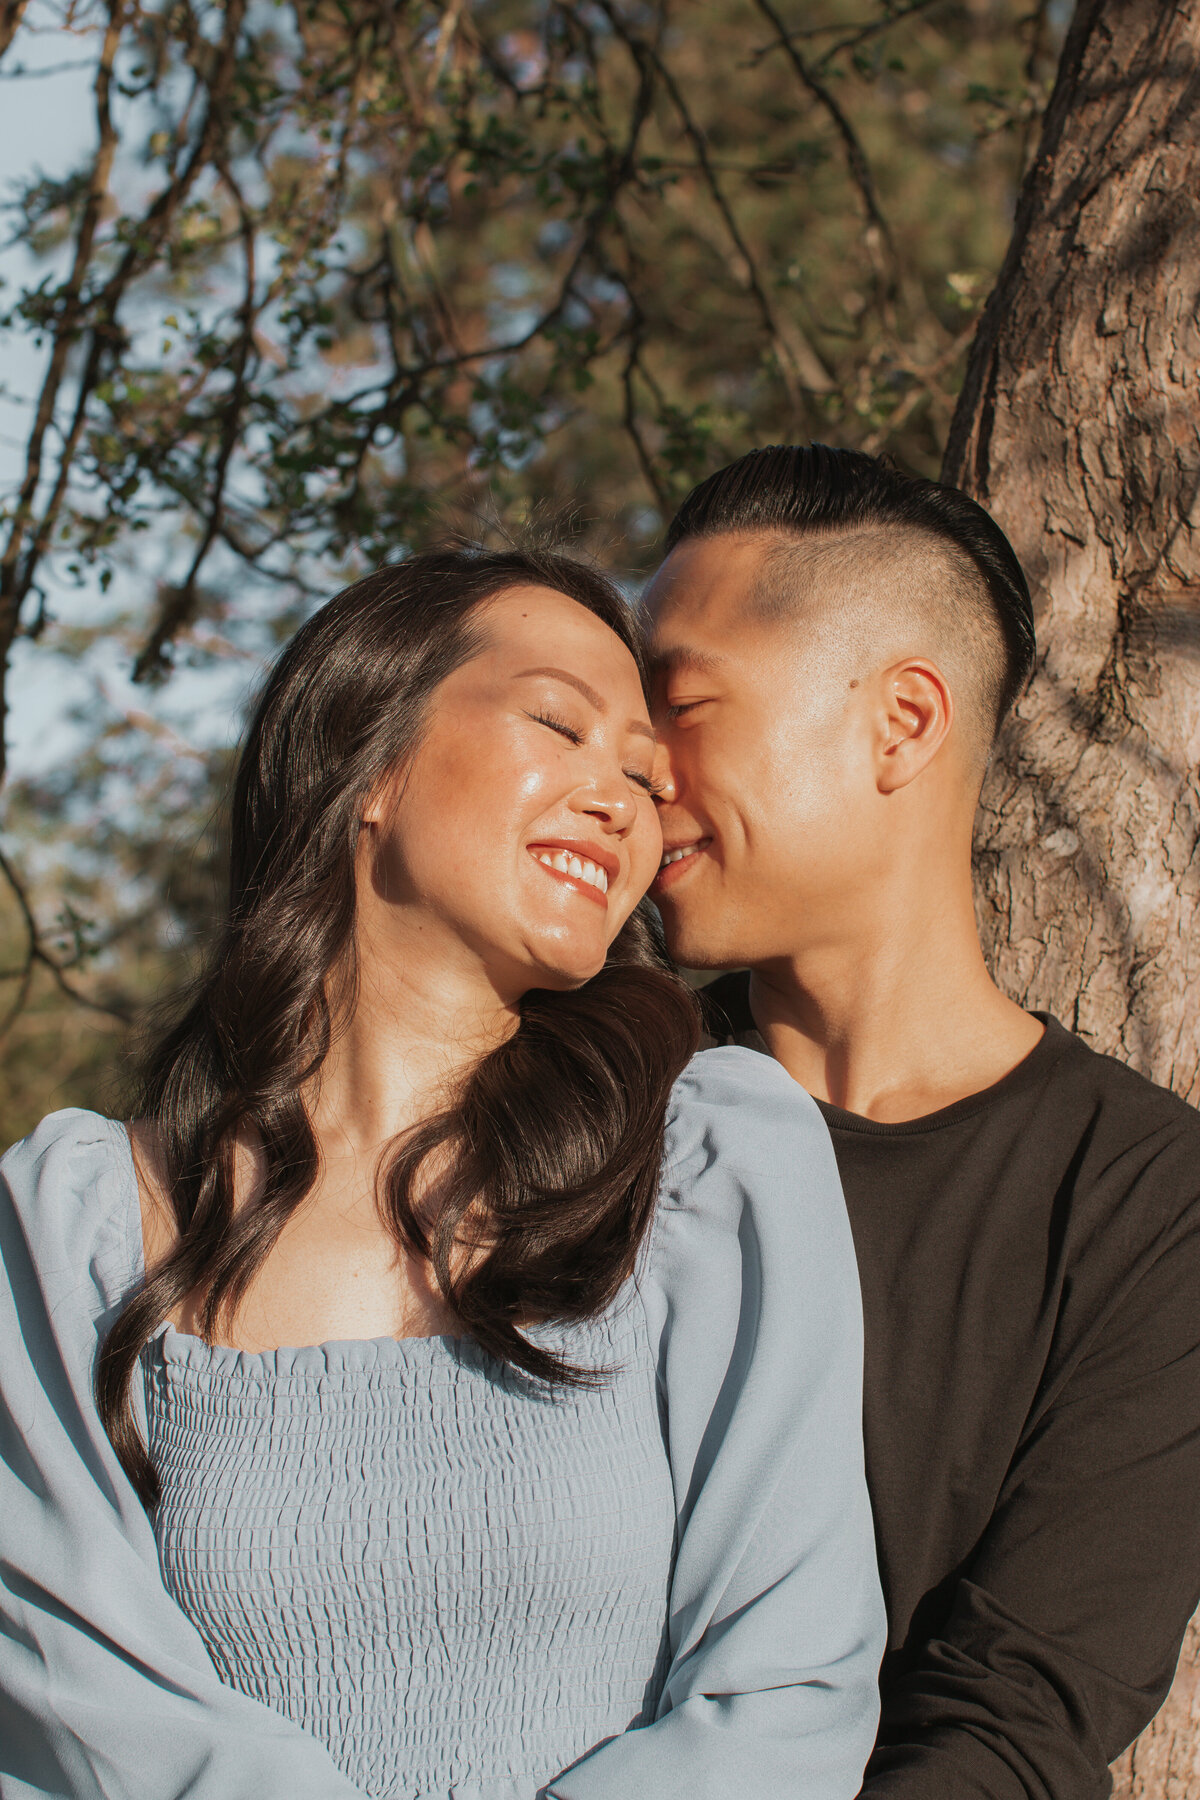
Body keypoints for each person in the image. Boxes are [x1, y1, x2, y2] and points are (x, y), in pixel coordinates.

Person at [0, 545, 884, 1800]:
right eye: (558, 725)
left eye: (642, 774)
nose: (621, 798)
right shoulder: (77, 1222)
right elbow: (73, 1706)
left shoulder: (709, 1160)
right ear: (375, 759)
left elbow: (790, 1688)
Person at [644, 444, 1200, 1800]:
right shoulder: (575, 1110)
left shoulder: (1145, 1202)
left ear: (901, 721)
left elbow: (1020, 1714)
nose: (629, 769)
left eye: (680, 706)